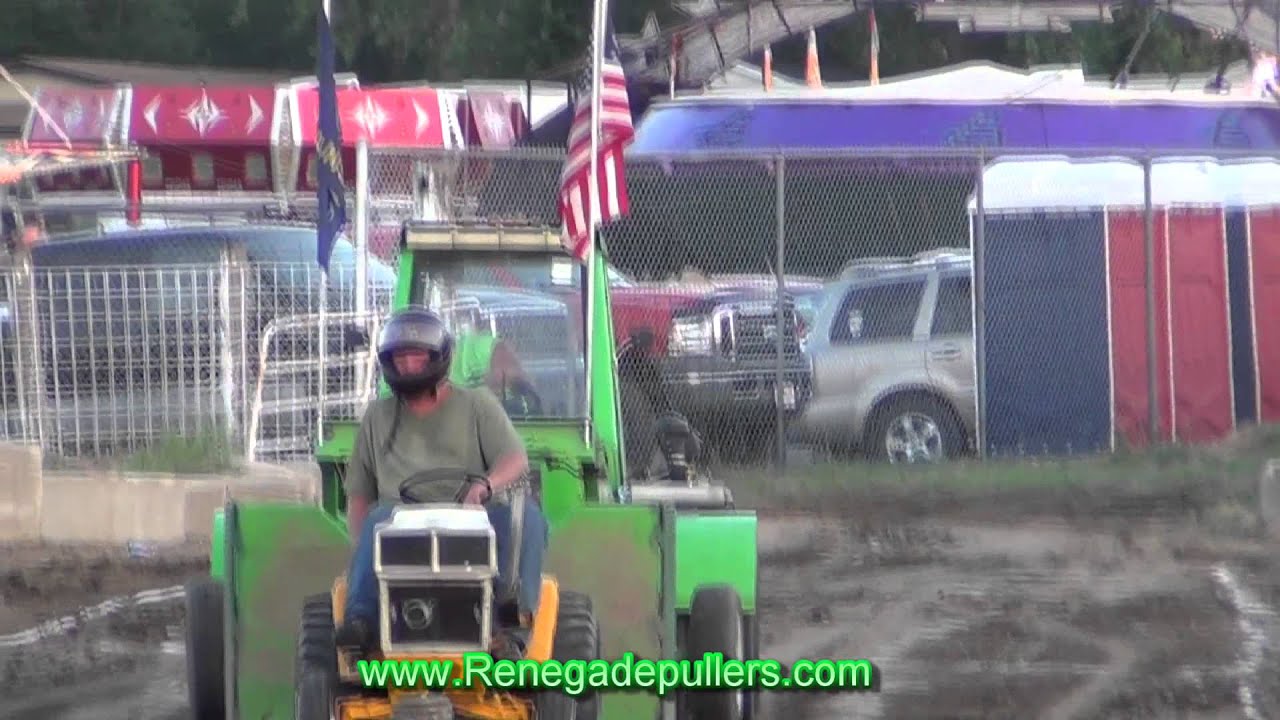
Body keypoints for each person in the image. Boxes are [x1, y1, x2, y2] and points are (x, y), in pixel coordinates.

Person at [334, 305, 548, 660]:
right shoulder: (377, 416)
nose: (407, 364)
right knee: (374, 521)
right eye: (400, 357)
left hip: (470, 516)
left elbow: (515, 459)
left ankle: (510, 626)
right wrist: (358, 550)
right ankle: (361, 622)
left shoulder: (477, 404)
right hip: (399, 522)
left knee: (528, 520)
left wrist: (485, 485)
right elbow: (359, 494)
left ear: (438, 356)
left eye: (416, 356)